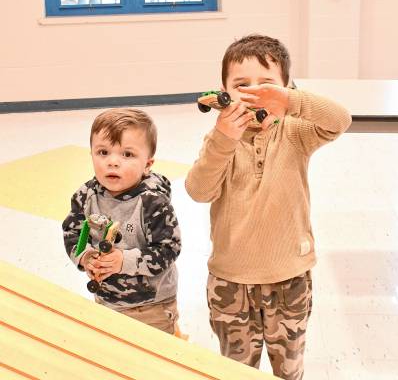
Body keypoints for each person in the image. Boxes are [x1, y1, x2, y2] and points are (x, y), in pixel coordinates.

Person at [185, 34, 352, 379]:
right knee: (235, 370)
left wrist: (291, 102)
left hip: (289, 277)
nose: (254, 92)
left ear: (287, 86)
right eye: (242, 84)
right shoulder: (220, 139)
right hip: (230, 281)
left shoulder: (296, 132)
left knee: (289, 370)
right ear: (225, 90)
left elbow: (340, 120)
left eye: (267, 85)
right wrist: (223, 140)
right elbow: (198, 191)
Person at [63, 108, 181, 334]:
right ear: (91, 154)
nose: (113, 162)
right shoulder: (85, 196)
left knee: (153, 360)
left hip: (152, 306)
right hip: (106, 300)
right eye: (103, 152)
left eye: (127, 154)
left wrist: (123, 261)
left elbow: (169, 249)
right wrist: (86, 257)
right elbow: (73, 233)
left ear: (148, 164)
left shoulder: (153, 203)